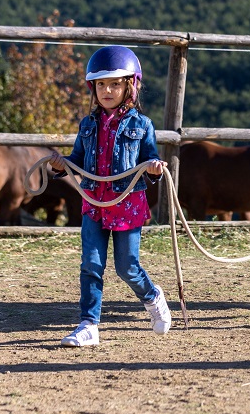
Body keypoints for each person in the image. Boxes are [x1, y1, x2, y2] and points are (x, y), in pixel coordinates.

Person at [50, 45, 172, 347]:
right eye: (101, 85)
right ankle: (89, 324)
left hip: (127, 205)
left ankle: (152, 296)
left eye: (115, 84)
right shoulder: (87, 125)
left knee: (126, 266)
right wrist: (60, 165)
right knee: (91, 263)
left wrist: (155, 169)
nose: (107, 91)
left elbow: (149, 161)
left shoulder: (142, 125)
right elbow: (77, 159)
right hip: (94, 204)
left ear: (130, 86)